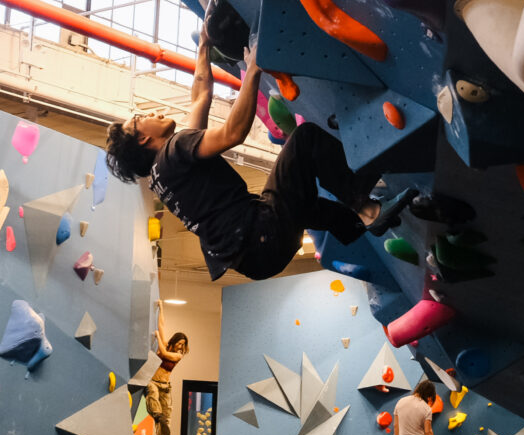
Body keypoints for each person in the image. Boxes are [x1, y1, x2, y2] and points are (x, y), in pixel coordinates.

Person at [105, 27, 415, 283]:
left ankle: (357, 222)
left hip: (255, 255)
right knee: (304, 140)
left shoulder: (166, 171)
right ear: (144, 138)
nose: (152, 112)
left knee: (299, 203)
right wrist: (252, 70)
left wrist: (203, 46)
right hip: (260, 235)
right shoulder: (174, 151)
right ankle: (366, 209)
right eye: (139, 118)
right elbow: (232, 134)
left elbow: (200, 96)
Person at [146, 300, 188, 435]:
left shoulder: (177, 355)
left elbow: (163, 353)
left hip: (166, 386)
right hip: (153, 382)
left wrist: (157, 337)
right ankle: (157, 417)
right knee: (152, 396)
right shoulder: (166, 344)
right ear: (175, 341)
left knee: (167, 414)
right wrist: (161, 307)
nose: (181, 347)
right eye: (180, 343)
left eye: (183, 345)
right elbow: (162, 325)